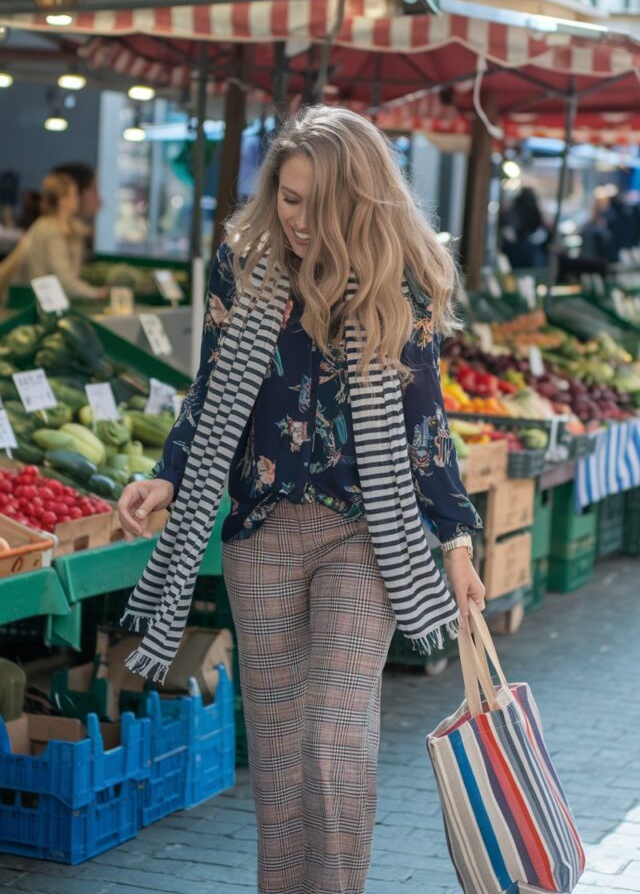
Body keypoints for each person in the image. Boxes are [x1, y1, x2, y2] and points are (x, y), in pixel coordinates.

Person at [117, 106, 485, 894]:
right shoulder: (243, 266)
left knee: (334, 737)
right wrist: (171, 474)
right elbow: (212, 387)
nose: (300, 219)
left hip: (367, 533)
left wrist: (456, 541)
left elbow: (427, 419)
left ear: (359, 198)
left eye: (319, 203)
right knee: (281, 763)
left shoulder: (402, 279)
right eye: (287, 198)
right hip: (261, 531)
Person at [1, 172, 108, 301]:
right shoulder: (52, 231)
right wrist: (96, 293)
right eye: (73, 195)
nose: (77, 200)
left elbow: (78, 229)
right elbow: (66, 282)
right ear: (63, 201)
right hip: (40, 302)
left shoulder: (53, 225)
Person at [500, 186, 549, 269]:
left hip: (516, 248)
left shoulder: (515, 209)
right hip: (531, 247)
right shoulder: (533, 208)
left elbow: (508, 232)